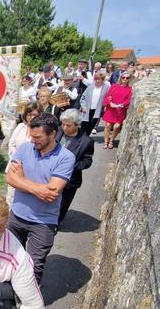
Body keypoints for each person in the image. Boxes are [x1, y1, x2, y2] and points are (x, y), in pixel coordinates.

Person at [6, 113, 75, 285]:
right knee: (10, 258)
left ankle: (28, 302)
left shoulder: (66, 157)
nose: (32, 140)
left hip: (43, 222)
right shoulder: (24, 148)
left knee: (33, 265)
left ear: (52, 134)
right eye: (31, 135)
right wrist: (36, 188)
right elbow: (10, 178)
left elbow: (50, 194)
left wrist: (21, 181)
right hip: (16, 216)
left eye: (37, 137)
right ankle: (10, 295)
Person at [55, 109, 94, 223]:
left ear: (77, 125)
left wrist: (69, 165)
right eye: (63, 124)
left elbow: (87, 161)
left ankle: (56, 222)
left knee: (62, 203)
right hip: (50, 174)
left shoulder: (86, 141)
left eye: (68, 125)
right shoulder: (57, 131)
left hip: (69, 180)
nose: (65, 128)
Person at [6, 102, 41, 205]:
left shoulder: (41, 130)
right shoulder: (21, 126)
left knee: (26, 194)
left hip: (30, 168)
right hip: (14, 165)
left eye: (35, 115)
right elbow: (11, 143)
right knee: (11, 194)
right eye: (29, 114)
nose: (31, 117)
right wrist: (15, 159)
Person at [102, 72, 133, 149]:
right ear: (120, 77)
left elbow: (128, 100)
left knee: (117, 126)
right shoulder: (114, 86)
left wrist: (121, 105)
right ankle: (106, 141)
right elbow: (108, 96)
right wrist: (110, 103)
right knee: (108, 126)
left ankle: (111, 140)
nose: (125, 79)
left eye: (127, 78)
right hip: (111, 109)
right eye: (123, 77)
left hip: (120, 111)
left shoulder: (130, 89)